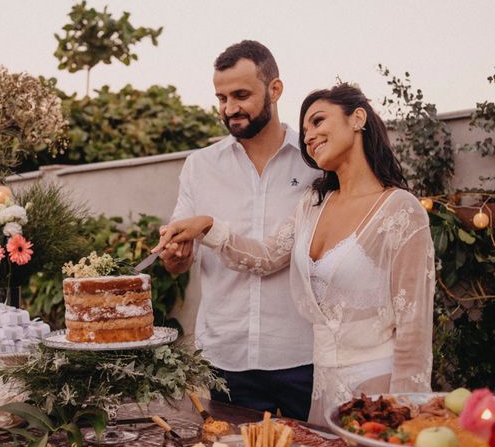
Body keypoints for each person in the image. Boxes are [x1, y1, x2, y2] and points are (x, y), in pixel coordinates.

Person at [155, 83, 435, 426]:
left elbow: (414, 327)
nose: (310, 137)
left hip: (377, 389)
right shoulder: (313, 205)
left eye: (318, 121)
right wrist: (208, 226)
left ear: (358, 118)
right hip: (322, 391)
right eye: (305, 132)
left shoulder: (401, 210)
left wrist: (407, 409)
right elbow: (266, 256)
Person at [160, 40, 320, 421]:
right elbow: (180, 262)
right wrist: (175, 256)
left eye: (241, 95)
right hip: (227, 355)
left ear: (275, 89)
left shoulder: (316, 162)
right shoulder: (200, 166)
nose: (229, 108)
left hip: (304, 352)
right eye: (221, 97)